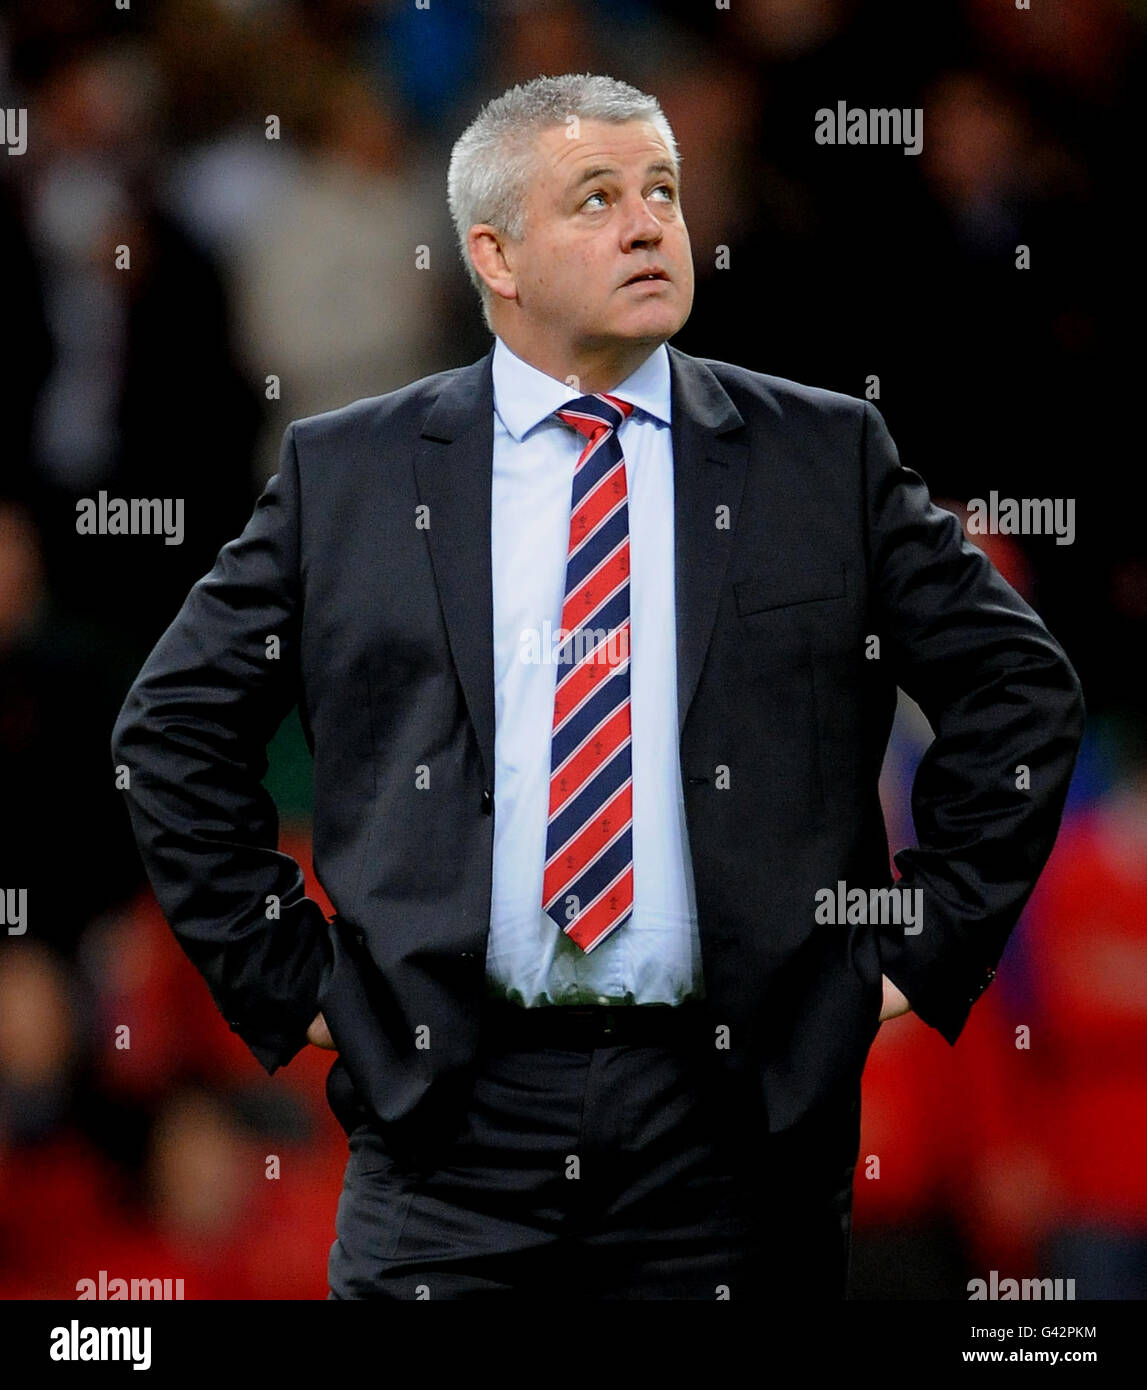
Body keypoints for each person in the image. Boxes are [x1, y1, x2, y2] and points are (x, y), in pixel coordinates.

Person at [111, 73, 1085, 1300]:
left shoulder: (819, 454)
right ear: (495, 255)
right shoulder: (346, 472)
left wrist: (909, 956)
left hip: (736, 1123)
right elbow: (170, 731)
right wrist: (295, 984)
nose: (647, 223)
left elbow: (1019, 695)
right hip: (445, 1121)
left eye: (663, 192)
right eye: (597, 198)